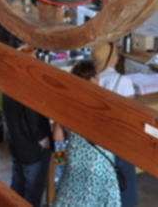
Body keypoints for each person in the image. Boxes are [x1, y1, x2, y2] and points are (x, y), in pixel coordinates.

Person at [52, 61, 121, 207]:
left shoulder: (66, 103)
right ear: (92, 78)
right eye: (97, 75)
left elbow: (57, 137)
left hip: (76, 161)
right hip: (100, 163)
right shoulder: (103, 103)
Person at [2, 46, 53, 207]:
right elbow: (35, 125)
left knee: (18, 184)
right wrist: (45, 143)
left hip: (16, 143)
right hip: (31, 151)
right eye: (34, 59)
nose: (37, 62)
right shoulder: (29, 89)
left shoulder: (8, 83)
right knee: (32, 191)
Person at [91, 42, 138, 207]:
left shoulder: (92, 78)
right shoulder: (123, 81)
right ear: (112, 59)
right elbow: (128, 113)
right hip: (118, 138)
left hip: (96, 139)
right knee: (125, 182)